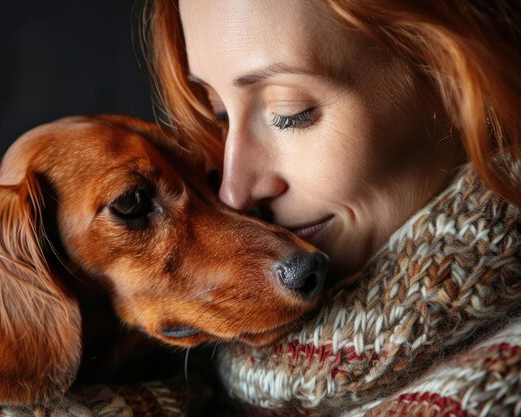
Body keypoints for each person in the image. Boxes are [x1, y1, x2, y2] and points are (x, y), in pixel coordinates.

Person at [142, 0, 521, 415]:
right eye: (219, 114)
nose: (233, 192)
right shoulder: (183, 380)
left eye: (290, 112)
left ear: (457, 75)